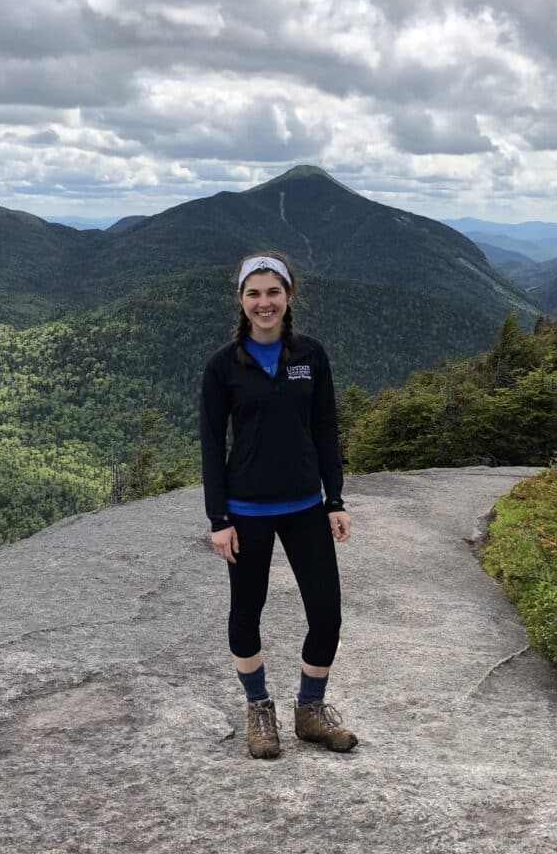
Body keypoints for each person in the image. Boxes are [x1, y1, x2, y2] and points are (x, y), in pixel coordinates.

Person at [199, 252, 358, 759]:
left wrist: (335, 498)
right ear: (241, 301)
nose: (264, 303)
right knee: (246, 613)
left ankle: (310, 710)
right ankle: (259, 709)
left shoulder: (311, 357)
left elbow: (326, 429)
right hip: (245, 511)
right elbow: (209, 442)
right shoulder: (222, 366)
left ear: (289, 297)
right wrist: (218, 518)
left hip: (305, 507)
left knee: (327, 614)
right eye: (254, 293)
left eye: (273, 292)